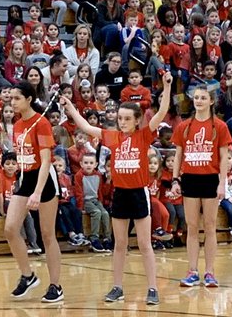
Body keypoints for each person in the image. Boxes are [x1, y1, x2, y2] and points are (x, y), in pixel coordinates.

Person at [62, 70, 173, 304]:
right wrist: (71, 108)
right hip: (120, 194)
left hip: (139, 194)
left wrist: (166, 86)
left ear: (136, 120)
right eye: (119, 118)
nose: (122, 122)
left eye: (126, 118)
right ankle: (117, 287)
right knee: (120, 244)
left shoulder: (144, 135)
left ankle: (152, 288)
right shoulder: (112, 137)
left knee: (144, 244)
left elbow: (162, 111)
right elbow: (86, 127)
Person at [3, 79, 63, 303]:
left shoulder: (42, 123)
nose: (13, 102)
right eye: (11, 98)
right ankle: (27, 275)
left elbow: (46, 160)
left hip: (45, 179)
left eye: (17, 98)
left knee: (47, 235)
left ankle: (56, 286)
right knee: (10, 229)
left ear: (29, 99)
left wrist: (37, 192)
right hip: (26, 177)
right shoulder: (18, 125)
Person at [171, 85, 232, 288]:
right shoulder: (184, 126)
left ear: (211, 101)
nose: (198, 101)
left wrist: (222, 183)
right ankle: (192, 271)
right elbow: (178, 154)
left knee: (209, 226)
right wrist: (175, 179)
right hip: (190, 178)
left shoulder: (219, 126)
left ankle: (209, 271)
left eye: (203, 98)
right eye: (196, 97)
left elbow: (224, 156)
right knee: (191, 227)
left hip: (210, 180)